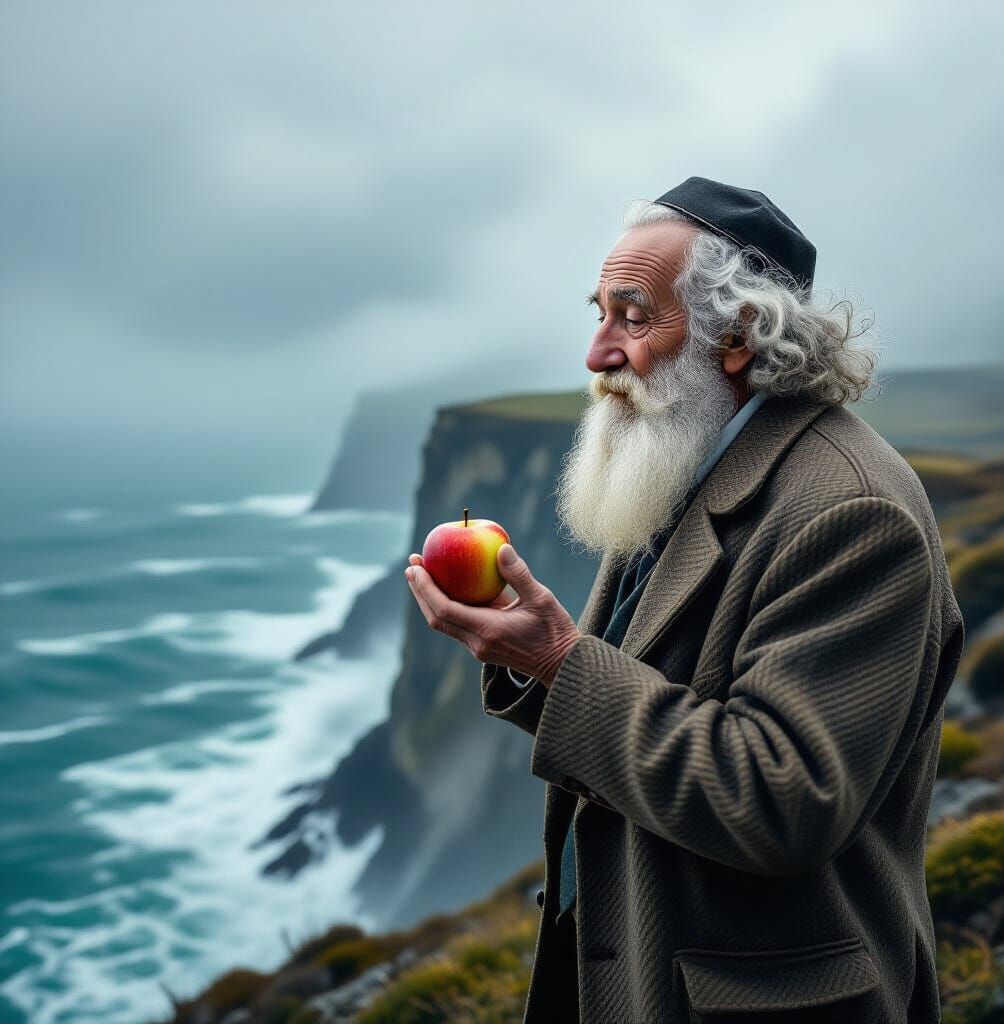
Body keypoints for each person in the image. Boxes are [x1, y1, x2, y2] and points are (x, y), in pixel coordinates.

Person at [404, 176, 964, 1023]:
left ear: (737, 336)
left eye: (631, 317)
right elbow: (648, 697)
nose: (597, 353)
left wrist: (558, 658)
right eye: (598, 312)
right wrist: (536, 661)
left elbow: (780, 800)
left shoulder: (852, 512)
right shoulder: (688, 455)